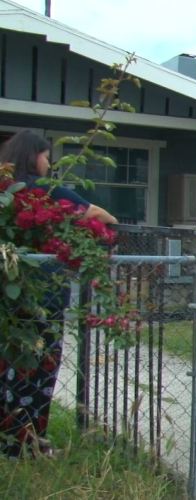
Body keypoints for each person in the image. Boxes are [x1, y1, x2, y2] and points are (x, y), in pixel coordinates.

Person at [0, 130, 117, 457]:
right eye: (46, 156)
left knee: (9, 369)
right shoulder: (44, 191)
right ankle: (29, 442)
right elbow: (101, 215)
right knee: (39, 370)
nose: (49, 163)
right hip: (45, 296)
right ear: (33, 156)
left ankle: (13, 441)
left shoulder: (6, 192)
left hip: (9, 296)